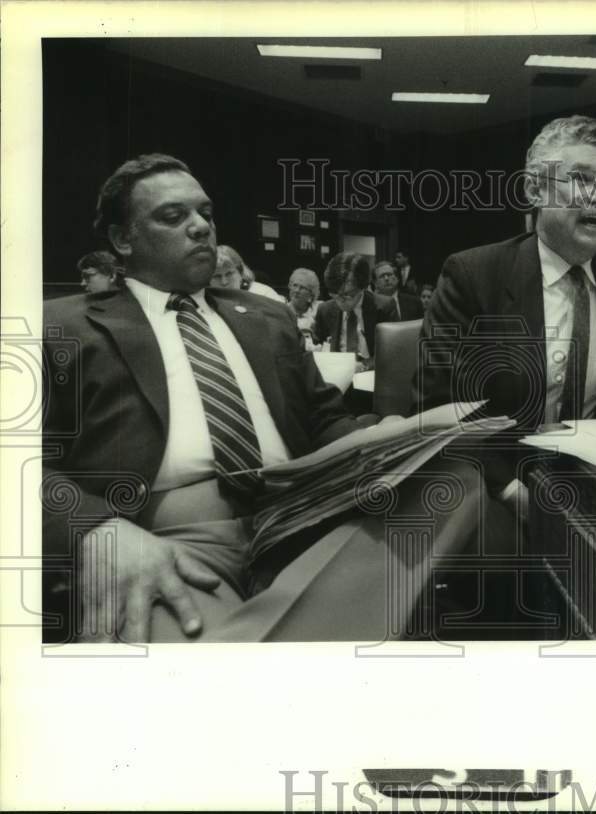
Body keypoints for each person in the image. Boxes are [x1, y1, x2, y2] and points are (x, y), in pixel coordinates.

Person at [42, 153, 368, 643]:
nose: (200, 227)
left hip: (307, 525)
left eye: (206, 214)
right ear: (122, 240)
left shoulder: (267, 316)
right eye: (173, 217)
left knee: (459, 477)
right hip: (171, 546)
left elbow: (324, 420)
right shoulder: (61, 326)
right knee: (212, 668)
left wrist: (387, 441)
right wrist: (95, 531)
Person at [415, 115, 596, 504]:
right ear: (535, 190)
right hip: (498, 490)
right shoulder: (473, 276)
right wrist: (506, 488)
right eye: (582, 179)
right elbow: (436, 409)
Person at [312, 252, 396, 372]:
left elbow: (390, 352)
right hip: (336, 374)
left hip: (370, 375)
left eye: (347, 295)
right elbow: (316, 346)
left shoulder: (384, 307)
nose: (340, 301)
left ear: (363, 287)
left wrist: (363, 366)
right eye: (334, 294)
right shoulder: (325, 309)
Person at [212, 244, 284, 302]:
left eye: (229, 274)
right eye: (217, 276)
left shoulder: (263, 294)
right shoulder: (205, 300)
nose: (224, 282)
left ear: (241, 273)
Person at [286, 266, 321, 350]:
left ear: (311, 293)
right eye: (294, 285)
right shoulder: (282, 310)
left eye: (302, 288)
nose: (297, 290)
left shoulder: (319, 310)